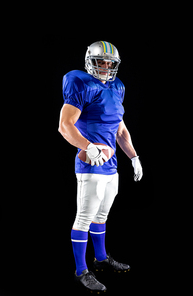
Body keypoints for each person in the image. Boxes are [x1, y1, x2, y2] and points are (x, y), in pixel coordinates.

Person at [58, 41, 143, 292]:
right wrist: (88, 146)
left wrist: (134, 157)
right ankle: (81, 271)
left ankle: (102, 258)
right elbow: (64, 126)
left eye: (110, 63)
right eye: (101, 62)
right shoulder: (80, 82)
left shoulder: (117, 87)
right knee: (84, 217)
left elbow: (120, 128)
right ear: (90, 61)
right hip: (91, 163)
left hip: (112, 163)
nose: (106, 67)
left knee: (102, 215)